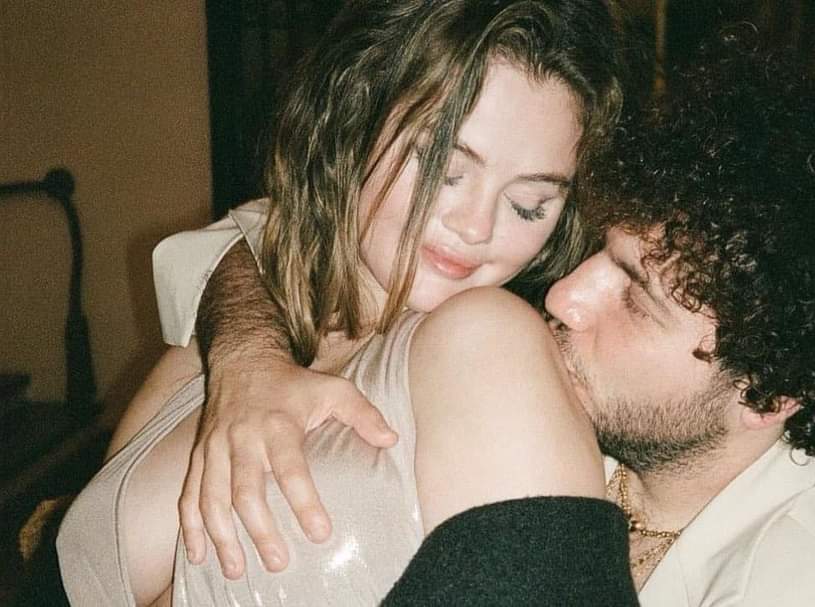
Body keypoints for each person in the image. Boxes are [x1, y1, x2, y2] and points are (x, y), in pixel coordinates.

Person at [151, 37, 815, 605]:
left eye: (636, 296)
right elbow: (264, 231)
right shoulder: (605, 413)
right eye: (601, 253)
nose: (563, 296)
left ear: (770, 392)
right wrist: (250, 355)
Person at [57, 1, 640, 605]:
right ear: (356, 117)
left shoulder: (492, 349)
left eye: (527, 205)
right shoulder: (225, 340)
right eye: (444, 168)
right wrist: (244, 347)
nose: (475, 225)